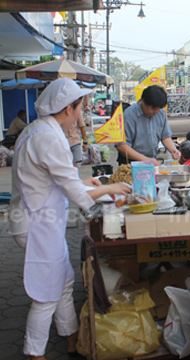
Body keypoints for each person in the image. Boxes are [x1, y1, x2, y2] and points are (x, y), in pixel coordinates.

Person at [9, 78, 131, 360]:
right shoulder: (48, 137)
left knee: (63, 282)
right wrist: (109, 188)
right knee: (46, 295)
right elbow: (72, 188)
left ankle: (73, 342)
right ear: (67, 108)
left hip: (42, 222)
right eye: (80, 108)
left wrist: (87, 182)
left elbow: (57, 178)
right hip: (36, 225)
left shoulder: (38, 130)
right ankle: (34, 353)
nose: (81, 115)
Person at [115, 85, 180, 166]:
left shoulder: (161, 113)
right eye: (153, 108)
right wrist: (145, 160)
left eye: (158, 108)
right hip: (130, 163)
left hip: (151, 160)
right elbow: (121, 146)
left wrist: (173, 150)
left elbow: (165, 136)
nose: (156, 111)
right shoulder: (129, 115)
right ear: (143, 101)